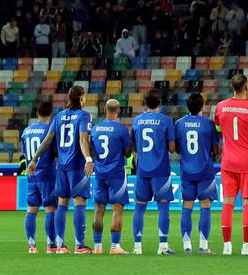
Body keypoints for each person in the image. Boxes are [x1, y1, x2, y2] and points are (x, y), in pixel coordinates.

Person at [27, 85, 94, 253]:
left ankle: (60, 245)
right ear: (80, 99)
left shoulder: (58, 116)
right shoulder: (84, 116)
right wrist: (88, 159)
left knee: (62, 203)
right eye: (84, 97)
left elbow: (48, 140)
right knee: (80, 202)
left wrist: (34, 159)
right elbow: (83, 140)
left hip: (61, 167)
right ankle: (80, 245)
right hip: (77, 166)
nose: (85, 100)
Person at [214, 74, 248, 255]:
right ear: (246, 87)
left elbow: (219, 128)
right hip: (247, 161)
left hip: (228, 160)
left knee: (227, 202)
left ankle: (227, 245)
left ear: (232, 87)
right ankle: (245, 246)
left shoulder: (221, 106)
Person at [131, 89, 177, 255]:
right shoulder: (165, 120)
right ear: (159, 102)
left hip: (142, 169)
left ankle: (137, 247)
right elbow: (172, 149)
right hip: (161, 170)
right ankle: (163, 246)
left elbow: (134, 145)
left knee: (139, 207)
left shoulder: (136, 121)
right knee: (163, 207)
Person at [175, 92, 220, 254]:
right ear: (202, 106)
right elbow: (216, 149)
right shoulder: (208, 124)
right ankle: (203, 245)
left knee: (186, 206)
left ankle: (187, 245)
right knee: (205, 206)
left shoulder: (179, 123)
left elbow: (177, 148)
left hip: (187, 171)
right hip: (205, 171)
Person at [90, 99, 133, 254]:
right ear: (119, 110)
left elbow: (92, 149)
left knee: (98, 209)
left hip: (100, 173)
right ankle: (115, 246)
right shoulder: (121, 129)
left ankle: (97, 246)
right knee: (117, 209)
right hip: (116, 174)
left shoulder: (95, 128)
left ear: (104, 110)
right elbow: (128, 153)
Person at [20, 102, 58, 253]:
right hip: (47, 173)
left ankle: (31, 245)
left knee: (31, 209)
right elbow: (55, 152)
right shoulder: (50, 130)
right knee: (50, 209)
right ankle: (51, 245)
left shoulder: (26, 131)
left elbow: (24, 153)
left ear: (37, 113)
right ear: (51, 114)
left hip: (31, 175)